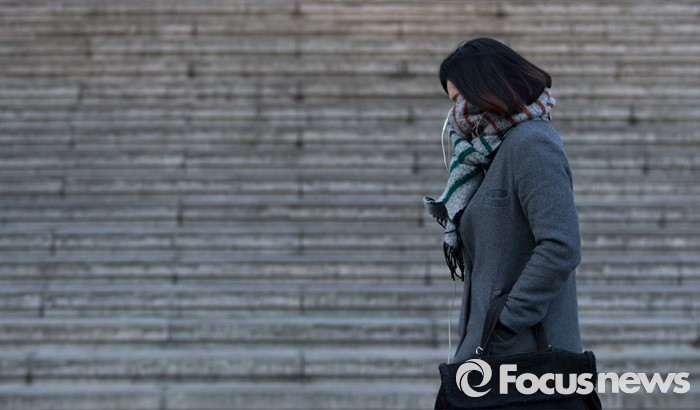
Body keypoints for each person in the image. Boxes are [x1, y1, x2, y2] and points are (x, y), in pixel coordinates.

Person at [425, 38, 590, 409]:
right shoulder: (489, 154)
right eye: (451, 102)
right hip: (490, 355)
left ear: (486, 86)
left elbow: (561, 246)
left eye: (458, 99)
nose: (455, 114)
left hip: (523, 362)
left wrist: (506, 320)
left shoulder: (532, 144)